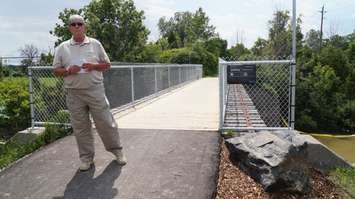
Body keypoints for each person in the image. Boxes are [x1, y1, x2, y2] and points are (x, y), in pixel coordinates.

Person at [52, 14, 127, 171]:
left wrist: (93, 66)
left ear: (84, 26)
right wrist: (67, 70)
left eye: (80, 23)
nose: (77, 26)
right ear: (69, 28)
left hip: (94, 90)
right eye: (73, 24)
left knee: (106, 122)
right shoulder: (62, 47)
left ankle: (117, 151)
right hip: (73, 93)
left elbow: (107, 65)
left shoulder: (95, 44)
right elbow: (56, 71)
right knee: (80, 127)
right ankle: (86, 159)